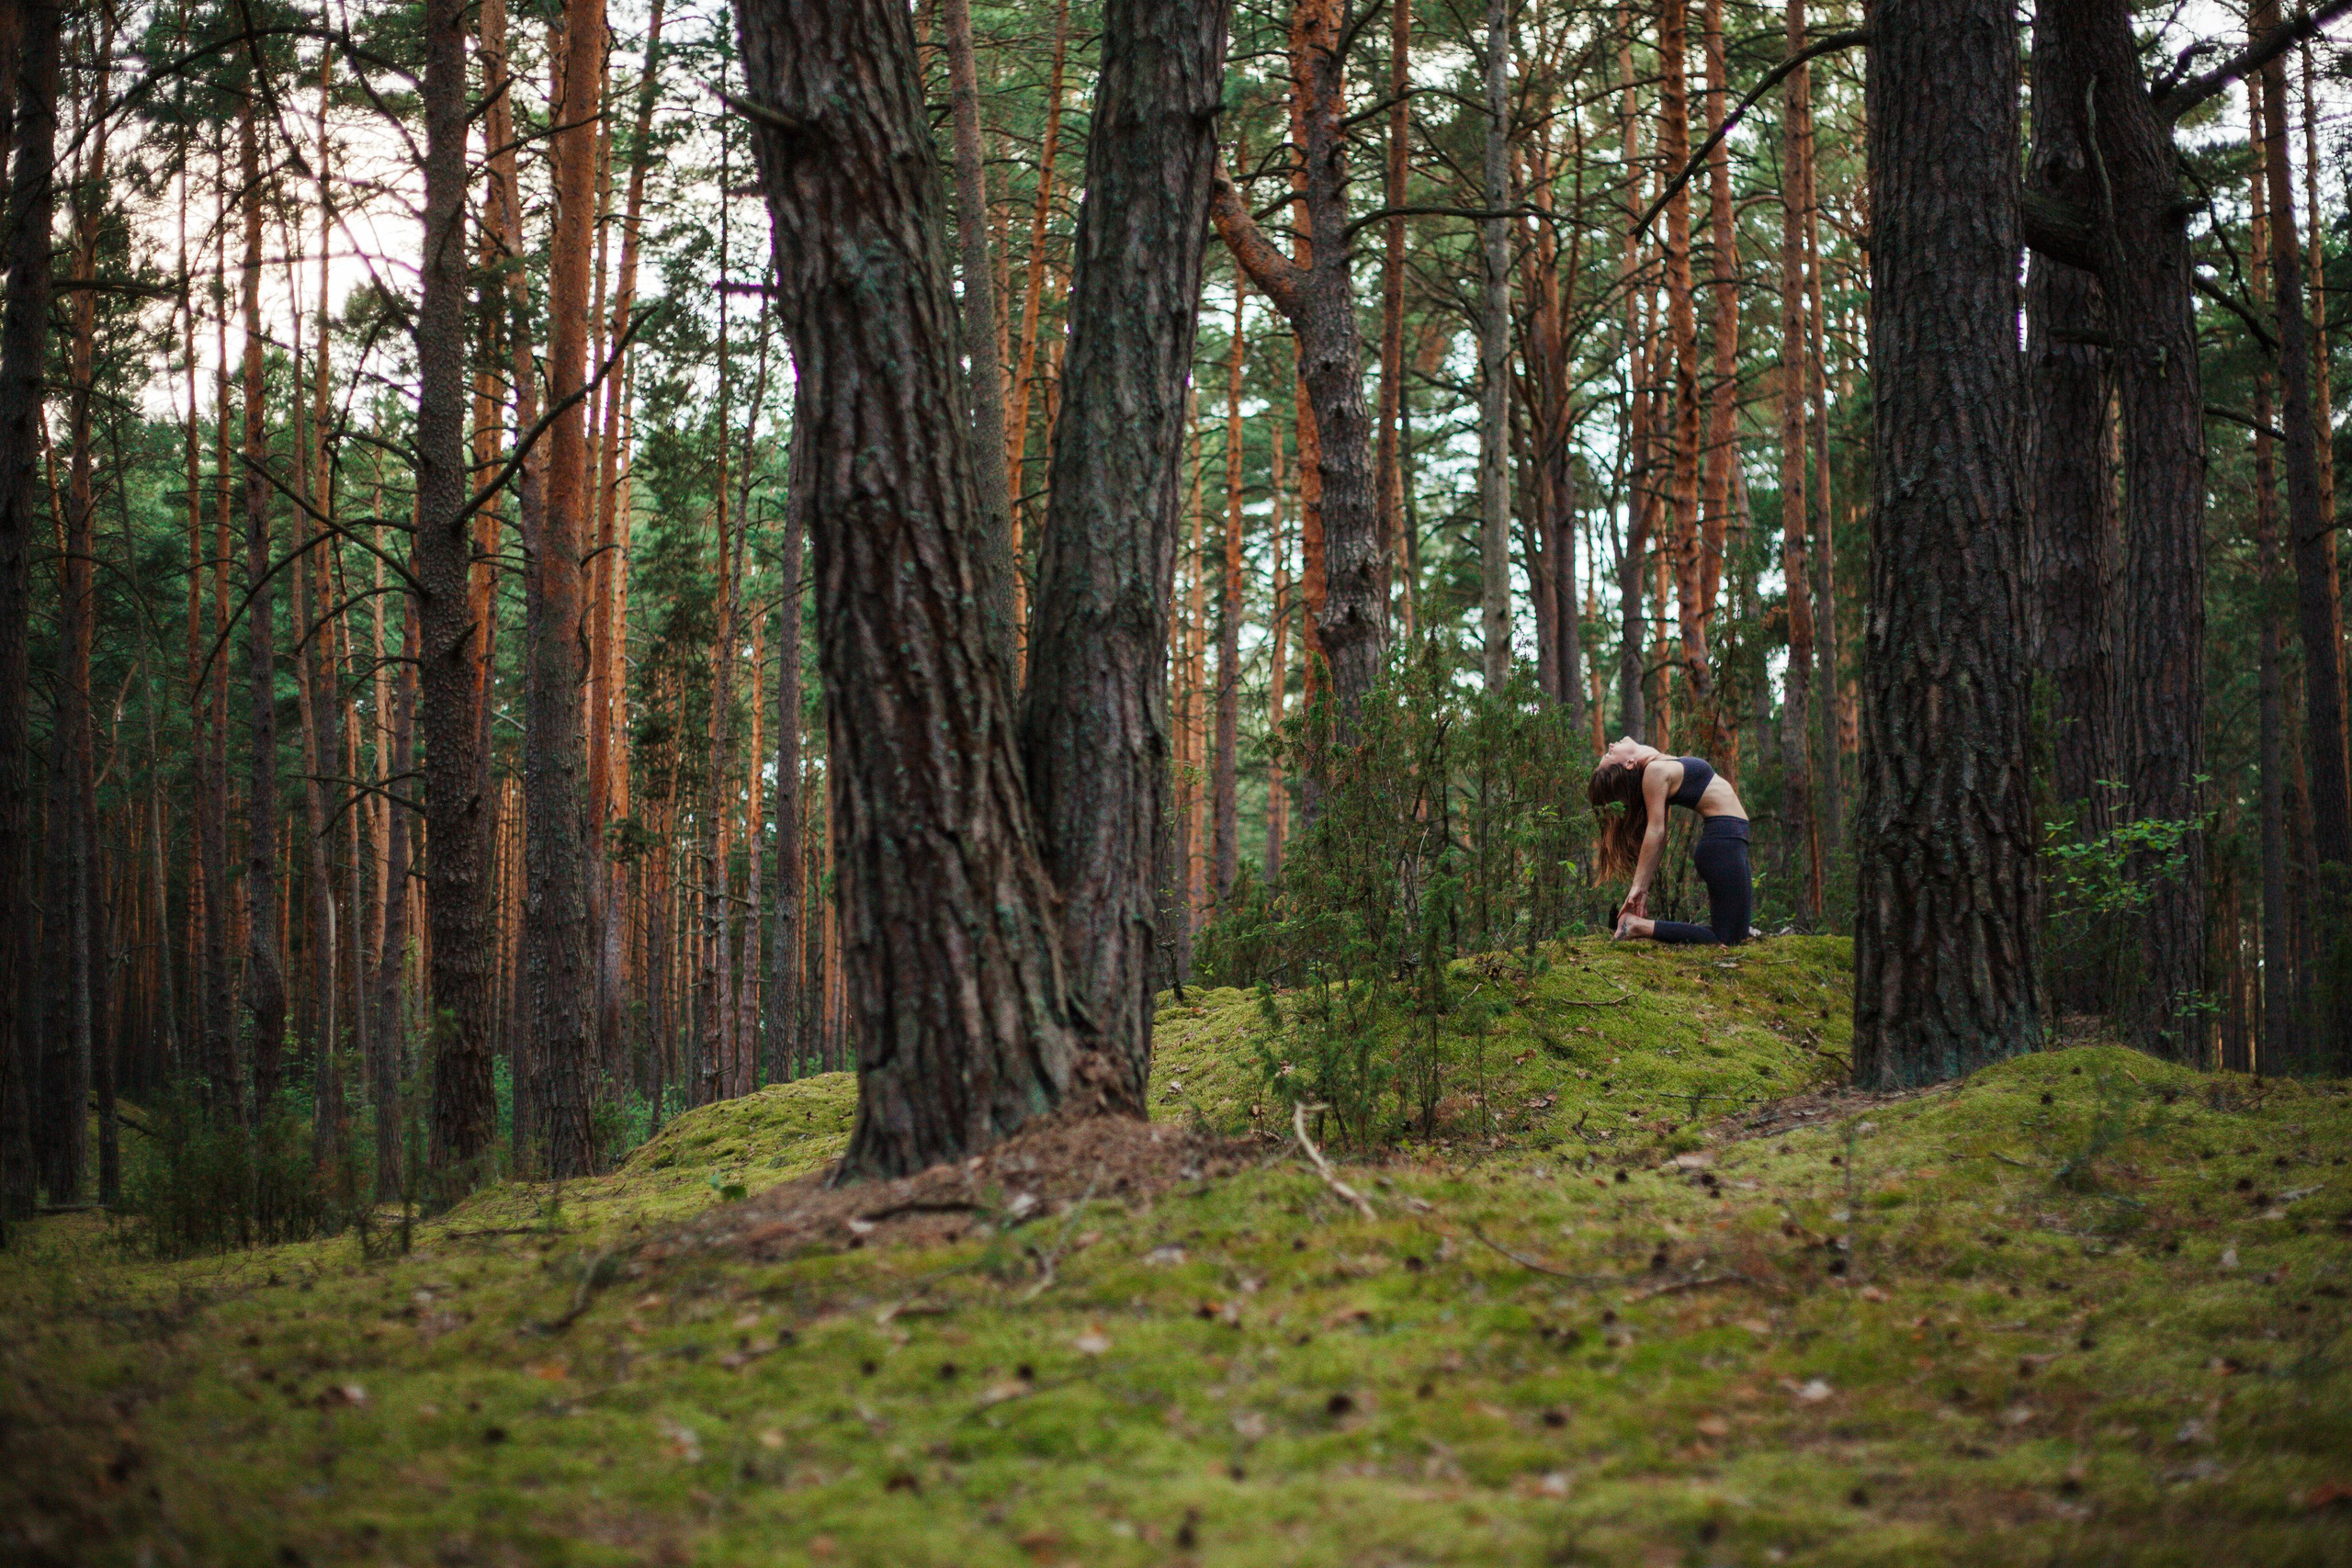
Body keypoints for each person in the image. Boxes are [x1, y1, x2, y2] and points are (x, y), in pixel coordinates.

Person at [1587, 738, 1751, 944]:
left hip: (1731, 842)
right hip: (1723, 845)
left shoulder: (1657, 765)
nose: (1610, 745)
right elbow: (1656, 831)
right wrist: (1638, 887)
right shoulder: (1654, 772)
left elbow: (1660, 837)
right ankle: (1637, 926)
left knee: (1739, 934)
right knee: (1727, 939)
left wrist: (1642, 888)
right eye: (1609, 755)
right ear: (1629, 763)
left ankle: (1636, 925)